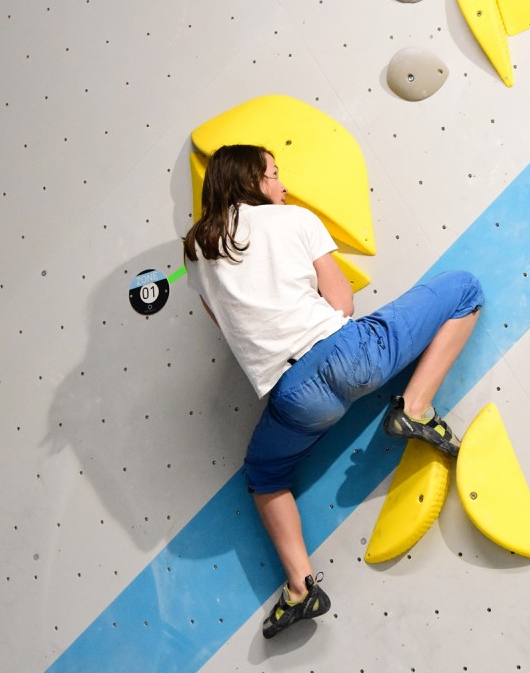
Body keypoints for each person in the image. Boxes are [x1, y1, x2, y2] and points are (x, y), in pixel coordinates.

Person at [183, 144, 483, 638]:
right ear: (252, 179)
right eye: (275, 175)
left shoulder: (196, 251)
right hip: (346, 355)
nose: (283, 186)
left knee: (264, 476)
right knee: (465, 289)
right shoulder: (294, 219)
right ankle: (415, 407)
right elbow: (341, 302)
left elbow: (225, 325)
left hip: (294, 397)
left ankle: (301, 588)